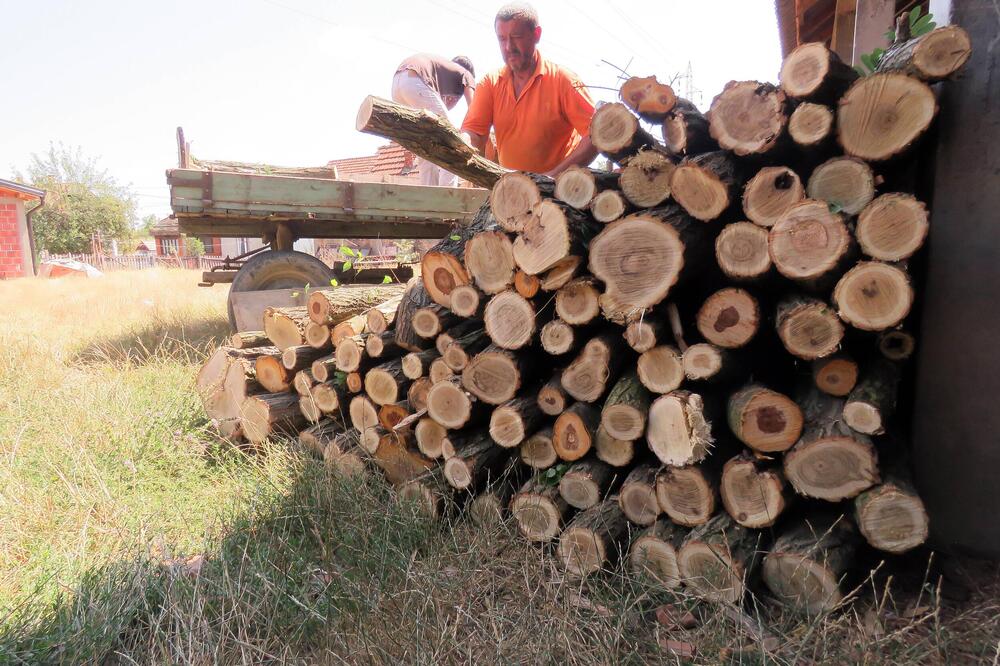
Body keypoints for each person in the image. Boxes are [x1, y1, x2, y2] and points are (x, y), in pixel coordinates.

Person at [461, 3, 598, 177]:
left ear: (536, 35)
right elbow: (475, 133)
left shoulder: (564, 81)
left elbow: (595, 136)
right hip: (513, 191)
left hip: (559, 195)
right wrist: (460, 140)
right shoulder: (490, 83)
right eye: (502, 39)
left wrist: (551, 178)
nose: (509, 47)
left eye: (516, 37)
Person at [391, 54, 476, 186]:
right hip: (414, 81)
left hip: (397, 85)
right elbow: (475, 109)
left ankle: (430, 197)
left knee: (425, 146)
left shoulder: (440, 74)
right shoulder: (466, 74)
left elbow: (438, 110)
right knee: (453, 144)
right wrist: (467, 137)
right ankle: (448, 197)